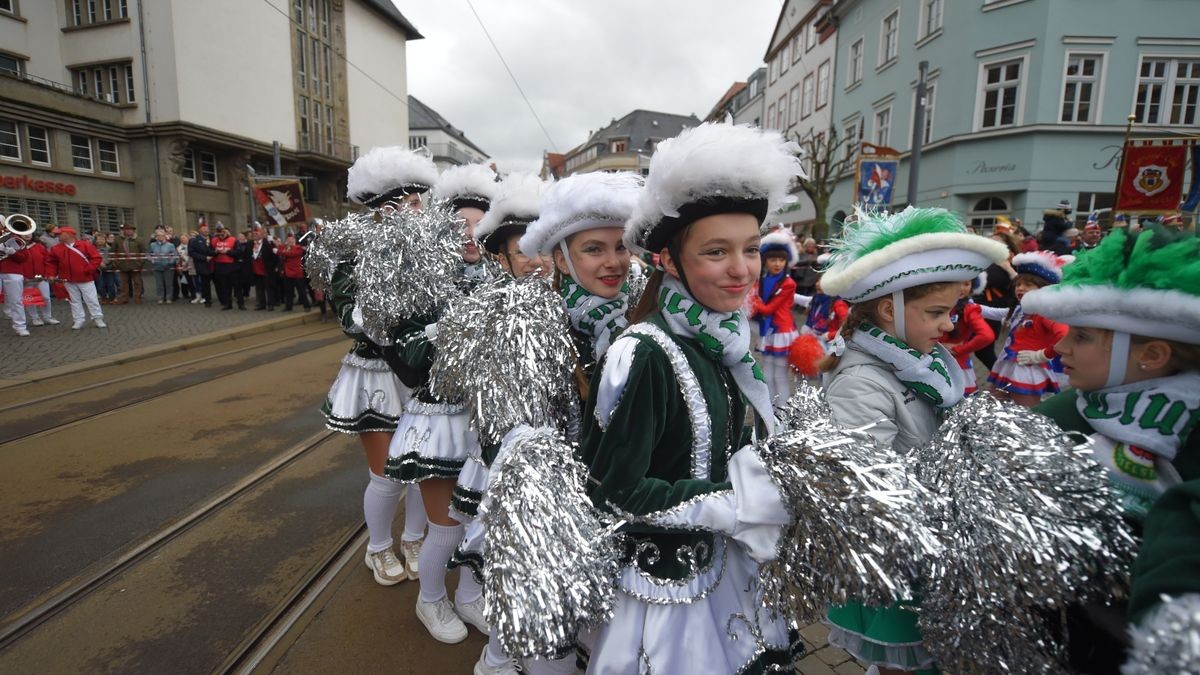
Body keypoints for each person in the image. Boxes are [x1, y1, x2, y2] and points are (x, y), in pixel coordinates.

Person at [578, 121, 805, 673]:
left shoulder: (726, 337)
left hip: (731, 568)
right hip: (668, 595)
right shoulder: (645, 353)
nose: (741, 269)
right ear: (668, 261)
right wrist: (740, 503)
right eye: (716, 252)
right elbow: (616, 490)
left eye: (751, 249)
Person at [818, 207, 1008, 675]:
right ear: (890, 310)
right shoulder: (861, 381)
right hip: (905, 549)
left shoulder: (923, 357)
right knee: (906, 662)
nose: (949, 326)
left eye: (952, 312)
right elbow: (871, 486)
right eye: (936, 313)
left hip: (941, 532)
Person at [1024, 226, 1200, 672]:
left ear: (1153, 354)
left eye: (1082, 337)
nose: (1060, 347)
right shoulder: (1064, 411)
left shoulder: (1193, 433)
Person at [383, 169, 544, 649]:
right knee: (448, 527)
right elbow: (409, 362)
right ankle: (430, 597)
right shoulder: (424, 285)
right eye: (458, 227)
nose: (468, 236)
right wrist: (455, 335)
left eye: (478, 226)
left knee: (482, 522)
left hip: (492, 423)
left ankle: (470, 596)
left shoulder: (510, 283)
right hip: (440, 422)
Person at [322, 146, 436, 594]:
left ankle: (412, 540)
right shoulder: (351, 254)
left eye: (418, 202)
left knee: (426, 466)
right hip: (375, 372)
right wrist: (391, 321)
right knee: (387, 472)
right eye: (408, 204)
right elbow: (349, 315)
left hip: (421, 369)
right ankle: (379, 545)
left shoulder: (430, 253)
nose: (417, 211)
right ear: (382, 210)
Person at [984, 251, 1071, 408]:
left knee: (1024, 414)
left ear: (1044, 288)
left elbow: (1064, 337)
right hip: (1009, 366)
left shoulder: (1045, 313)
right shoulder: (1020, 310)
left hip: (1027, 372)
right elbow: (994, 313)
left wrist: (1041, 355)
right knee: (993, 406)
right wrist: (967, 304)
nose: (1020, 288)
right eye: (1018, 284)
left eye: (1028, 285)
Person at [751, 228, 799, 405]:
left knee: (780, 376)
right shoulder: (762, 280)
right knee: (767, 374)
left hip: (782, 333)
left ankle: (783, 413)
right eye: (773, 259)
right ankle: (770, 410)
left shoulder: (788, 283)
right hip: (768, 332)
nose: (777, 263)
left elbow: (767, 309)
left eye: (781, 259)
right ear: (765, 261)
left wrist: (751, 299)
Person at [937, 274, 995, 395]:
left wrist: (959, 349)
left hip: (957, 366)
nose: (962, 288)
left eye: (967, 284)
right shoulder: (935, 304)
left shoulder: (969, 309)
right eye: (958, 283)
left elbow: (987, 335)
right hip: (932, 362)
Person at [45, 226, 106, 330]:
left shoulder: (85, 245)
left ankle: (97, 317)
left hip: (85, 278)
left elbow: (96, 258)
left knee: (91, 299)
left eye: (60, 233)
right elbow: (51, 263)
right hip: (68, 279)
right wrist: (51, 274)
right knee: (74, 300)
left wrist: (88, 270)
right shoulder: (56, 248)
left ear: (69, 235)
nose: (58, 235)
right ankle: (78, 319)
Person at [19, 235, 58, 327]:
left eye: (30, 233)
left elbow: (47, 261)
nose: (28, 235)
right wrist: (22, 276)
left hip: (41, 277)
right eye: (25, 233)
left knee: (46, 297)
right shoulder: (18, 247)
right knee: (30, 299)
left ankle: (48, 316)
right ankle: (35, 318)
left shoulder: (39, 246)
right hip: (27, 278)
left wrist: (47, 274)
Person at [1, 231, 32, 336]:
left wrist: (13, 252)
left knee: (16, 300)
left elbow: (24, 257)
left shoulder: (13, 238)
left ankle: (20, 326)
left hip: (12, 271)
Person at [112, 223, 146, 304]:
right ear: (124, 230)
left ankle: (138, 297)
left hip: (135, 265)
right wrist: (115, 262)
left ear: (133, 231)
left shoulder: (139, 240)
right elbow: (112, 251)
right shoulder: (117, 239)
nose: (129, 231)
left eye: (131, 230)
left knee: (137, 282)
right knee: (123, 283)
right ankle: (124, 298)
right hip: (122, 265)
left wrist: (140, 263)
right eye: (127, 229)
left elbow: (143, 253)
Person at [247, 226, 278, 310]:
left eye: (257, 234)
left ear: (261, 234)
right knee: (259, 288)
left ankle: (271, 304)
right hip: (255, 270)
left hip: (266, 269)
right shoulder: (250, 243)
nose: (255, 235)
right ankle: (262, 304)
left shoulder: (268, 243)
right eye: (254, 234)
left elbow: (274, 256)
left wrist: (275, 266)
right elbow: (247, 256)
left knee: (269, 288)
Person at [209, 223, 238, 310]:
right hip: (219, 266)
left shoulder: (233, 240)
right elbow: (209, 252)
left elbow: (238, 253)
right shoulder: (213, 241)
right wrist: (216, 252)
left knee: (236, 285)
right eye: (219, 234)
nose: (221, 235)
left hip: (231, 265)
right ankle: (227, 303)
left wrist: (228, 252)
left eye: (223, 233)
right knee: (223, 286)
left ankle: (240, 303)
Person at [276, 234, 309, 312]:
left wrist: (281, 251)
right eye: (288, 240)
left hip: (297, 273)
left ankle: (306, 306)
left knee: (301, 291)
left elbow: (291, 254)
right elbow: (280, 250)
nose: (290, 241)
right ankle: (288, 307)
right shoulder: (286, 248)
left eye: (291, 240)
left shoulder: (298, 248)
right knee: (288, 292)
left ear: (294, 241)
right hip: (287, 273)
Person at [148, 229, 178, 304]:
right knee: (159, 284)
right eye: (158, 235)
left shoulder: (170, 245)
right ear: (156, 237)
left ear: (165, 236)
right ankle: (160, 298)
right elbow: (148, 254)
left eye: (162, 235)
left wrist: (170, 262)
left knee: (169, 284)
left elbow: (175, 255)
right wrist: (152, 260)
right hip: (157, 267)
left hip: (168, 267)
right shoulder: (152, 245)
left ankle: (168, 298)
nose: (160, 237)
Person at [188, 223, 213, 306]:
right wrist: (204, 258)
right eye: (204, 229)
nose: (206, 230)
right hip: (202, 265)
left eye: (207, 228)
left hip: (214, 265)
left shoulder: (212, 238)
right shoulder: (194, 240)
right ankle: (207, 300)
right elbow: (191, 253)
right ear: (199, 230)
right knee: (205, 283)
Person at [94, 232, 118, 303]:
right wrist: (99, 263)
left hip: (108, 269)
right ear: (96, 240)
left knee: (110, 285)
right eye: (99, 239)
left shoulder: (109, 249)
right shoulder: (92, 249)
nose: (101, 241)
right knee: (100, 285)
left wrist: (106, 263)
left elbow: (113, 258)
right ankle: (104, 298)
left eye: (102, 239)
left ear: (105, 240)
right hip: (98, 270)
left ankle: (112, 298)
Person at [177, 234, 195, 301]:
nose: (182, 239)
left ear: (188, 238)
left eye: (184, 238)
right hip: (184, 267)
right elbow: (181, 257)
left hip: (192, 266)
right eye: (181, 238)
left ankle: (195, 294)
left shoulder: (191, 246)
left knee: (193, 282)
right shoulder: (179, 247)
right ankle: (187, 294)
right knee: (186, 281)